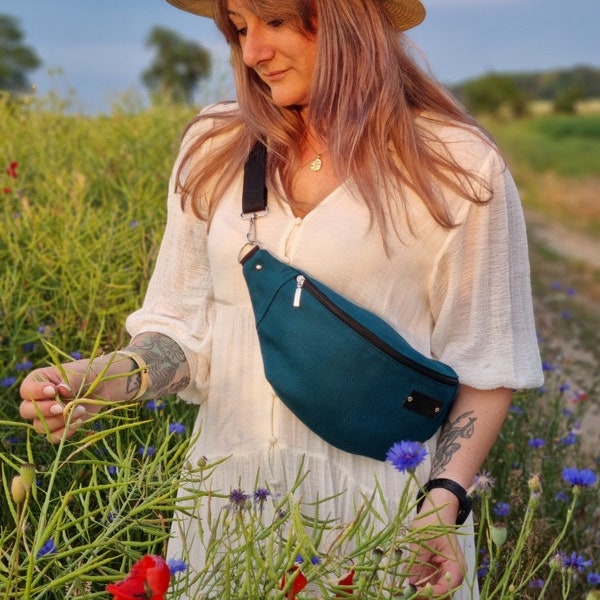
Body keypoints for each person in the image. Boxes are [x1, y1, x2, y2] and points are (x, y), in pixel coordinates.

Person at [19, 0, 543, 597]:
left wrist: (441, 503)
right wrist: (95, 381)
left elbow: (485, 366)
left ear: (346, 17)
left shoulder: (456, 166)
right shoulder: (215, 146)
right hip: (227, 513)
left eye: (273, 21)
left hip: (384, 522)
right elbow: (180, 332)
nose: (251, 52)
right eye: (239, 27)